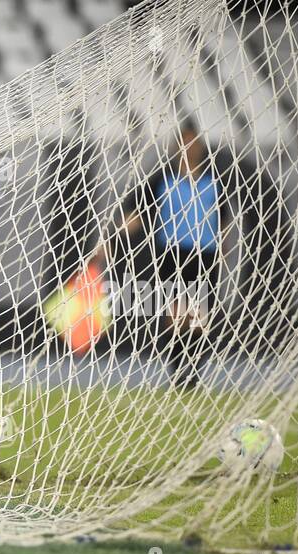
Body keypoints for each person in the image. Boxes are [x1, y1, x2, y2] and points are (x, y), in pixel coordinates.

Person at [110, 120, 227, 387]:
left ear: (199, 146)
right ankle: (177, 371)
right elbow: (138, 204)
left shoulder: (213, 179)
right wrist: (127, 223)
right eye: (184, 142)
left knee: (197, 316)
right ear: (177, 146)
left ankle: (193, 371)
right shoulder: (163, 177)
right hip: (172, 252)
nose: (188, 147)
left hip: (205, 253)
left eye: (193, 142)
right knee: (175, 315)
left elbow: (223, 217)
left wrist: (223, 245)